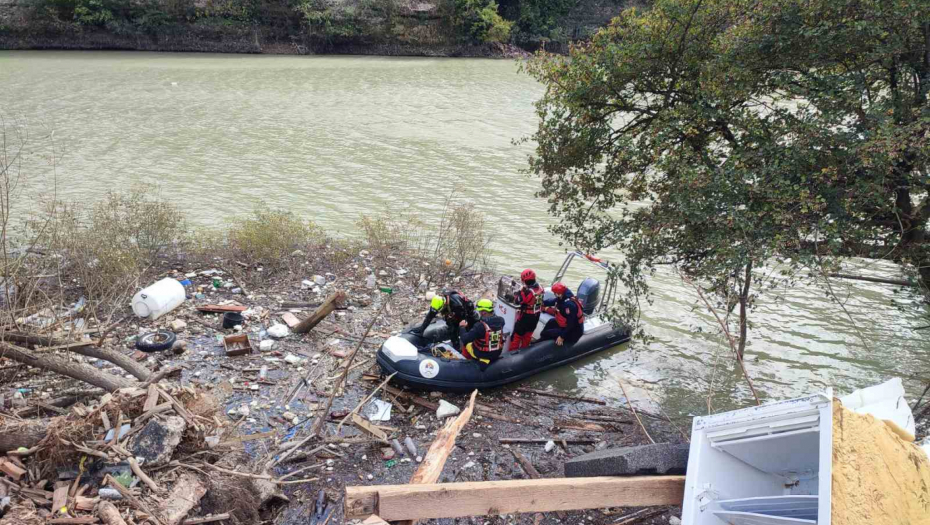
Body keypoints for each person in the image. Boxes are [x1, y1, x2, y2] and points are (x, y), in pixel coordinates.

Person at [410, 289, 479, 350]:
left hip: (466, 312)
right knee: (451, 329)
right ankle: (456, 346)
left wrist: (462, 327)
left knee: (468, 328)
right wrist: (422, 329)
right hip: (452, 312)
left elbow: (463, 320)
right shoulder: (437, 303)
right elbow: (430, 316)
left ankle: (470, 345)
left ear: (444, 304)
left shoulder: (456, 304)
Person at [459, 298, 505, 369]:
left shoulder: (480, 326)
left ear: (484, 312)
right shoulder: (501, 321)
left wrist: (462, 327)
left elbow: (465, 339)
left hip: (482, 354)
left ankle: (466, 362)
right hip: (497, 353)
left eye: (480, 311)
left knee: (466, 344)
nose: (479, 312)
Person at [540, 282, 585, 347]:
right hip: (565, 324)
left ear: (559, 294)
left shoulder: (569, 305)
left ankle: (544, 341)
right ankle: (542, 339)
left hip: (574, 331)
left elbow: (571, 324)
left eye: (554, 293)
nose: (554, 294)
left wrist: (562, 336)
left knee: (547, 333)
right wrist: (542, 303)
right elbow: (553, 301)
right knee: (551, 322)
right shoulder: (563, 297)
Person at [509, 268, 544, 352]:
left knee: (516, 336)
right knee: (528, 335)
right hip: (535, 317)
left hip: (525, 318)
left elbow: (517, 300)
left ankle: (512, 354)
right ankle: (524, 352)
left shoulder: (528, 292)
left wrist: (519, 292)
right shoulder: (540, 288)